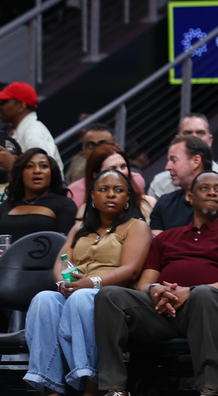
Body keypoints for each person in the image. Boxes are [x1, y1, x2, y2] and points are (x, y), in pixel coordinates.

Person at [94, 172, 218, 396]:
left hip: (213, 309)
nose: (212, 192)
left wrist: (190, 292)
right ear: (190, 197)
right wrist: (157, 290)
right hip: (164, 310)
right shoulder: (166, 237)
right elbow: (143, 285)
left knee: (204, 295)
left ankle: (210, 390)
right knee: (110, 296)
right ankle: (113, 389)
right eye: (205, 188)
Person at [24, 169, 151, 396]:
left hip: (111, 297)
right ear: (92, 196)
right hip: (76, 291)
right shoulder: (79, 229)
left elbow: (131, 271)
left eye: (118, 190)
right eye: (103, 189)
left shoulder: (136, 226)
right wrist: (62, 283)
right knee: (44, 299)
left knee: (83, 298)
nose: (111, 194)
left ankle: (92, 386)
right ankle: (51, 388)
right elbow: (61, 264)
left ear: (128, 197)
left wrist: (92, 282)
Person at [149, 136, 218, 235]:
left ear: (196, 161)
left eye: (174, 160)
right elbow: (157, 242)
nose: (167, 167)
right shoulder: (164, 202)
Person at [147, 114, 218, 199]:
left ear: (210, 140)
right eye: (187, 133)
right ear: (177, 140)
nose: (194, 138)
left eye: (200, 133)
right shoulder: (159, 183)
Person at [0, 149, 75, 240]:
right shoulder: (7, 206)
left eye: (43, 166)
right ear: (20, 173)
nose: (37, 171)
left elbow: (65, 244)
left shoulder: (65, 205)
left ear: (52, 172)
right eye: (29, 166)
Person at [73, 145, 154, 221]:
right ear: (96, 175)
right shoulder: (83, 211)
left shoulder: (147, 203)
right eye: (113, 168)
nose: (121, 172)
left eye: (123, 166)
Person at [0, 81, 63, 173]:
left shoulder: (33, 132)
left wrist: (11, 166)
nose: (0, 106)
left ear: (21, 107)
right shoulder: (24, 130)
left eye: (4, 102)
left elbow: (43, 174)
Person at [63, 123, 117, 190]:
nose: (97, 150)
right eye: (91, 146)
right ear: (84, 150)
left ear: (115, 147)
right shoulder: (73, 190)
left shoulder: (132, 181)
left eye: (103, 144)